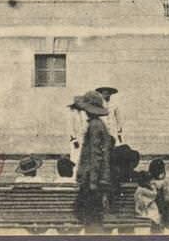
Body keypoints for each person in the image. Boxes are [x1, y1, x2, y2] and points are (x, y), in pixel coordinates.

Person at [73, 90, 114, 234]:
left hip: (92, 181)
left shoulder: (95, 126)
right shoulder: (98, 124)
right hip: (95, 179)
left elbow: (96, 155)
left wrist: (92, 182)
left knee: (90, 219)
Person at [67, 98, 87, 184]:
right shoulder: (72, 113)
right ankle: (74, 177)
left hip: (83, 139)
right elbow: (70, 127)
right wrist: (74, 139)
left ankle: (81, 177)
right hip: (76, 141)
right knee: (75, 159)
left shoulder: (82, 113)